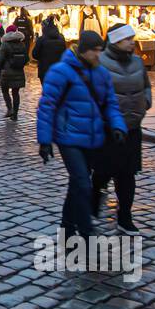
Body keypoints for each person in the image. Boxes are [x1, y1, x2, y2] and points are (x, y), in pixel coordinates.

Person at [36, 30, 126, 240]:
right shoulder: (61, 71)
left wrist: (118, 126)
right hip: (68, 137)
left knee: (78, 183)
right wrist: (44, 140)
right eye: (95, 51)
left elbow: (110, 103)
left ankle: (67, 228)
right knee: (83, 183)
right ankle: (86, 231)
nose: (98, 55)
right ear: (83, 51)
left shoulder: (101, 73)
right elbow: (47, 106)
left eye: (100, 51)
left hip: (92, 136)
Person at [93, 25, 150, 235]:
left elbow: (146, 85)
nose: (132, 42)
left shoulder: (137, 61)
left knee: (127, 174)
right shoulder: (100, 63)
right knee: (103, 171)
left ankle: (125, 216)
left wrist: (146, 101)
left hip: (133, 128)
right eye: (128, 38)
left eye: (132, 38)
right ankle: (93, 201)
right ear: (116, 41)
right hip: (108, 128)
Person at [0, 24, 29, 118]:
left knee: (5, 90)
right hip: (19, 71)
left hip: (6, 72)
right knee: (15, 93)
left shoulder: (5, 44)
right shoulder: (22, 44)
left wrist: (2, 67)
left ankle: (9, 108)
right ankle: (15, 114)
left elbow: (0, 60)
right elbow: (27, 59)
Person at [31, 18, 66, 83]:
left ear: (44, 27)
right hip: (58, 69)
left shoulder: (41, 39)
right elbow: (64, 52)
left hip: (45, 70)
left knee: (47, 90)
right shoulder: (61, 38)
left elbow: (34, 54)